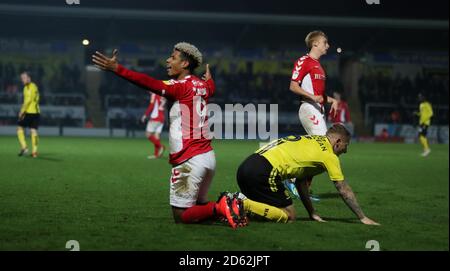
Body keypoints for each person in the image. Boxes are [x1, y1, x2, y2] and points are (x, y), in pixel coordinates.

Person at [92, 42, 246, 229]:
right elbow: (210, 88)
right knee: (197, 205)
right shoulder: (202, 86)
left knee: (181, 216)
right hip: (208, 157)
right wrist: (210, 80)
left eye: (173, 57)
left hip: (190, 160)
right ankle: (227, 207)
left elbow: (150, 83)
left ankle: (222, 206)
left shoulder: (180, 86)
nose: (167, 60)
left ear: (185, 64)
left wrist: (118, 69)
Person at [235, 124, 380, 225]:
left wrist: (312, 213)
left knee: (262, 214)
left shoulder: (314, 141)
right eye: (345, 146)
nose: (345, 151)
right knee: (289, 215)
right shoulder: (329, 156)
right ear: (338, 141)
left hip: (247, 166)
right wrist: (362, 217)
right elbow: (343, 189)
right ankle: (242, 203)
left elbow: (300, 182)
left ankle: (230, 205)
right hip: (263, 172)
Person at [287, 30, 340, 201]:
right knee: (325, 148)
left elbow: (318, 94)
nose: (328, 45)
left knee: (318, 150)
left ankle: (301, 187)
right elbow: (293, 86)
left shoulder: (319, 66)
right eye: (325, 42)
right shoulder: (305, 61)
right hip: (308, 108)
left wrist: (332, 100)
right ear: (315, 43)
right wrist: (313, 97)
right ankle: (294, 181)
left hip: (317, 110)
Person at [17, 71, 40, 158]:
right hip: (36, 112)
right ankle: (34, 152)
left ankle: (24, 147)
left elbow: (28, 101)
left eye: (24, 78)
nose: (22, 80)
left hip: (29, 112)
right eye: (21, 78)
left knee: (19, 128)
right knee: (33, 130)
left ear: (29, 78)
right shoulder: (27, 87)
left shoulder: (31, 87)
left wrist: (22, 111)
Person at [140, 93, 167, 159]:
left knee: (148, 134)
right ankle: (156, 155)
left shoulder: (154, 94)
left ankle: (161, 146)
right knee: (156, 136)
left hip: (155, 117)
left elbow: (151, 106)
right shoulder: (162, 94)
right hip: (162, 118)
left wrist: (145, 115)